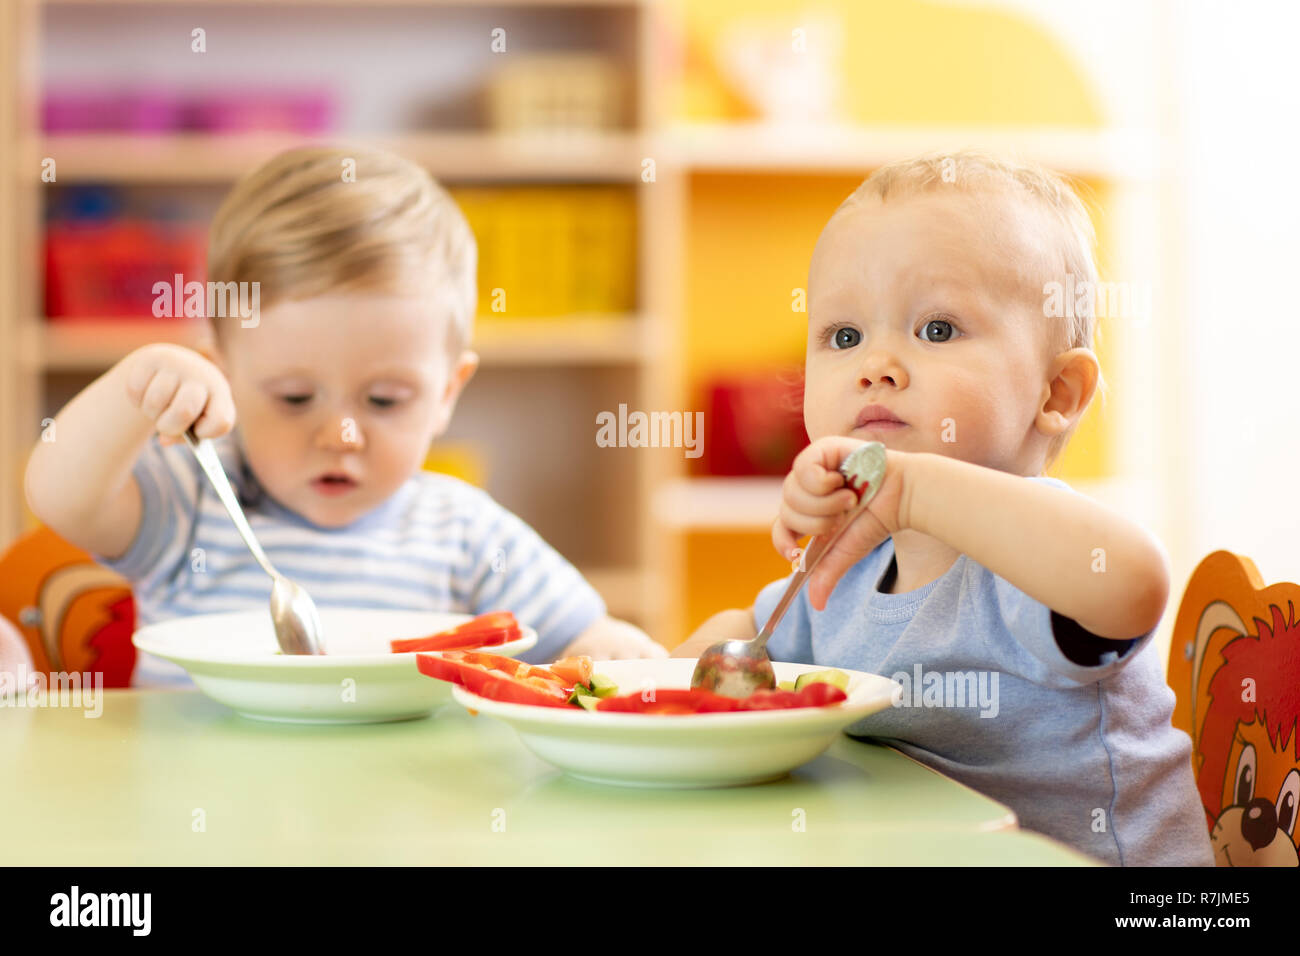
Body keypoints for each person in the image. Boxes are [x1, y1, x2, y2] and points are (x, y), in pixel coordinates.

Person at [672, 150, 1213, 867]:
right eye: (844, 336)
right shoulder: (852, 571)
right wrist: (681, 669)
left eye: (936, 330)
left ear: (1056, 394)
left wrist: (916, 490)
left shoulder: (1038, 557)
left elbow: (1133, 582)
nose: (876, 364)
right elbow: (758, 639)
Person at [25, 145, 665, 686]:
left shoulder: (465, 532)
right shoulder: (191, 501)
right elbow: (62, 498)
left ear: (447, 392)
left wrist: (619, 653)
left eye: (384, 401)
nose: (341, 434)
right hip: (197, 823)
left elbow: (586, 635)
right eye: (295, 398)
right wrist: (138, 387)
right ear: (222, 375)